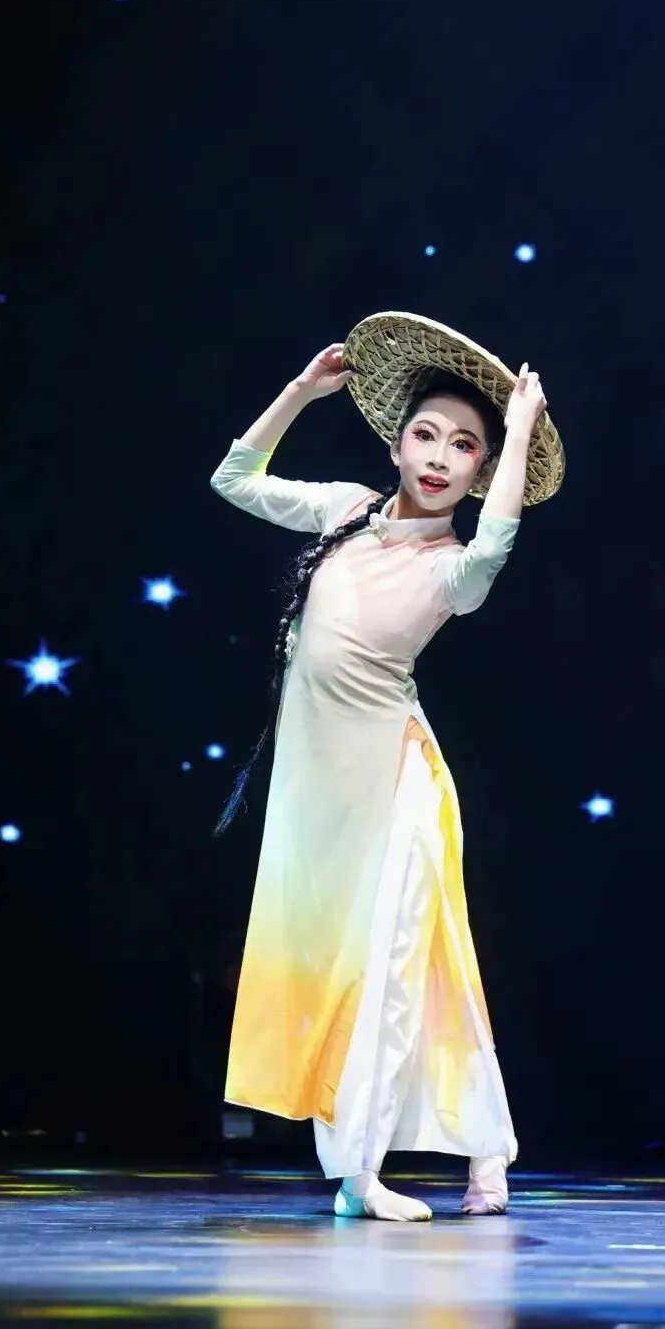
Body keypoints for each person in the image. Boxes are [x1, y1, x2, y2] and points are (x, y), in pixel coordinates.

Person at [210, 313, 564, 1221]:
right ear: (397, 445)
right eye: (427, 435)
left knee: (391, 969)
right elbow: (233, 479)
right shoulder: (345, 511)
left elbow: (496, 542)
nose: (440, 457)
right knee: (414, 966)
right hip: (318, 789)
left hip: (397, 785)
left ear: (482, 471)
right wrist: (300, 392)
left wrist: (520, 426)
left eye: (465, 447)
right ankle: (489, 1153)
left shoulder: (454, 568)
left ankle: (359, 1171)